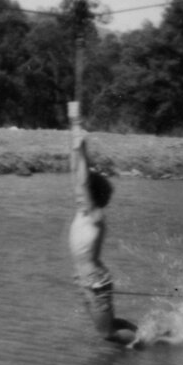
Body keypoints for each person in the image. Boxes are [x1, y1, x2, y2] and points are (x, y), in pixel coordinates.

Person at [68, 128, 138, 345]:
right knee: (108, 326)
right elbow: (78, 178)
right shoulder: (83, 212)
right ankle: (145, 333)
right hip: (84, 279)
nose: (79, 195)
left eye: (84, 195)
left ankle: (151, 342)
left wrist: (81, 147)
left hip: (95, 281)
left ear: (91, 196)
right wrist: (77, 146)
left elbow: (83, 183)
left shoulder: (95, 216)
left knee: (107, 333)